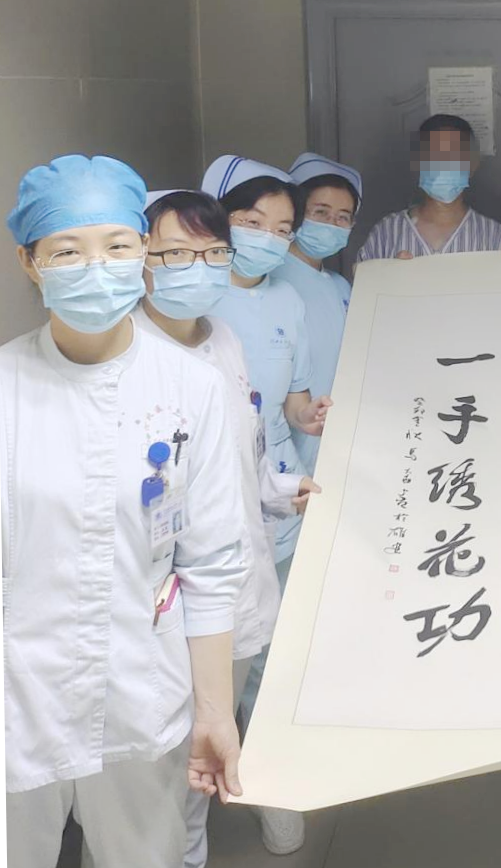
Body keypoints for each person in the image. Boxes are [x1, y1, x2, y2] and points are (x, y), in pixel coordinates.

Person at [2, 156, 244, 867]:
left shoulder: (191, 387)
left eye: (116, 245)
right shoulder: (6, 387)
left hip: (142, 691)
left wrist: (215, 711)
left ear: (143, 251)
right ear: (29, 262)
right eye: (67, 251)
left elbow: (212, 564)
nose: (96, 268)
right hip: (18, 696)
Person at [132, 189, 321, 868]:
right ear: (140, 257)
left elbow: (242, 452)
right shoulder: (128, 353)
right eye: (177, 253)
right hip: (159, 606)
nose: (199, 267)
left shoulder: (224, 339)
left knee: (209, 757)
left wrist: (280, 489)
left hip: (236, 588)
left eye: (213, 253)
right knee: (161, 781)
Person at [200, 154, 332, 855]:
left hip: (277, 492)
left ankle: (271, 783)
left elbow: (295, 404)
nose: (269, 239)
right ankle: (200, 781)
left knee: (274, 649)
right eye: (253, 221)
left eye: (283, 228)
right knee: (211, 649)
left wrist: (314, 418)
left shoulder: (288, 301)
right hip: (203, 497)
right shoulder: (188, 295)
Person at [279, 153, 359, 476]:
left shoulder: (341, 286)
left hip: (337, 446)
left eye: (343, 217)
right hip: (289, 449)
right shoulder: (272, 278)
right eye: (321, 212)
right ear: (297, 214)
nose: (331, 224)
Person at [356, 114, 501, 261]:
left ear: (473, 165)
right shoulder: (386, 233)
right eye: (434, 155)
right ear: (417, 163)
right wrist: (390, 272)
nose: (444, 164)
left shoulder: (495, 237)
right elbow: (364, 278)